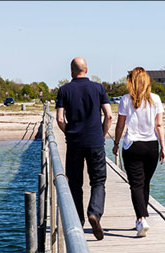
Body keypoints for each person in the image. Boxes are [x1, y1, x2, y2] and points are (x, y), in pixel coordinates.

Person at [56, 57, 112, 240]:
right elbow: (109, 115)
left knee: (74, 183)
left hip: (74, 143)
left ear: (72, 71)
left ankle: (78, 221)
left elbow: (59, 119)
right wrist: (102, 134)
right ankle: (94, 213)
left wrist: (68, 133)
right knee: (98, 181)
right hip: (95, 142)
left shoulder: (64, 90)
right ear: (86, 70)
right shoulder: (98, 88)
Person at [112, 67, 165, 237]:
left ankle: (141, 219)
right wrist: (163, 147)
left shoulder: (125, 100)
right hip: (151, 146)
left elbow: (120, 125)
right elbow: (159, 125)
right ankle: (142, 216)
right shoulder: (156, 99)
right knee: (144, 183)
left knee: (136, 184)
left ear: (131, 82)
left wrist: (116, 143)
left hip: (133, 146)